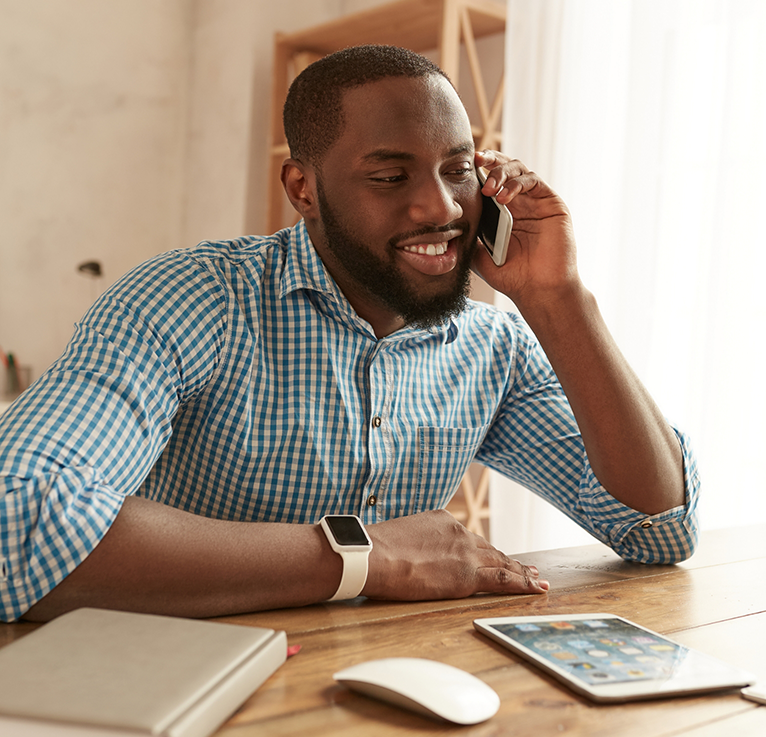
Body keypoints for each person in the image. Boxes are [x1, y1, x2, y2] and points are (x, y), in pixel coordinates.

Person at [0, 45, 698, 624]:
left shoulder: (492, 347)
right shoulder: (188, 300)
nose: (440, 204)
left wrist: (560, 301)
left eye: (458, 169)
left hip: (383, 683)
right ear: (303, 189)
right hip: (178, 686)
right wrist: (365, 554)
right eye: (391, 175)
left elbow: (658, 525)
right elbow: (17, 515)